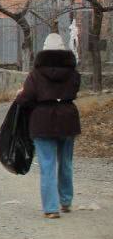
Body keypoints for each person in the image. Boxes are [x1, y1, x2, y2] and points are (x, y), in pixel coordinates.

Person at [18, 33, 81, 218]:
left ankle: (51, 208)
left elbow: (27, 98)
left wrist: (21, 96)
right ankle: (66, 201)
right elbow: (74, 91)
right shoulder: (73, 73)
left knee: (47, 164)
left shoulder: (36, 74)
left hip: (42, 120)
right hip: (68, 119)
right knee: (66, 163)